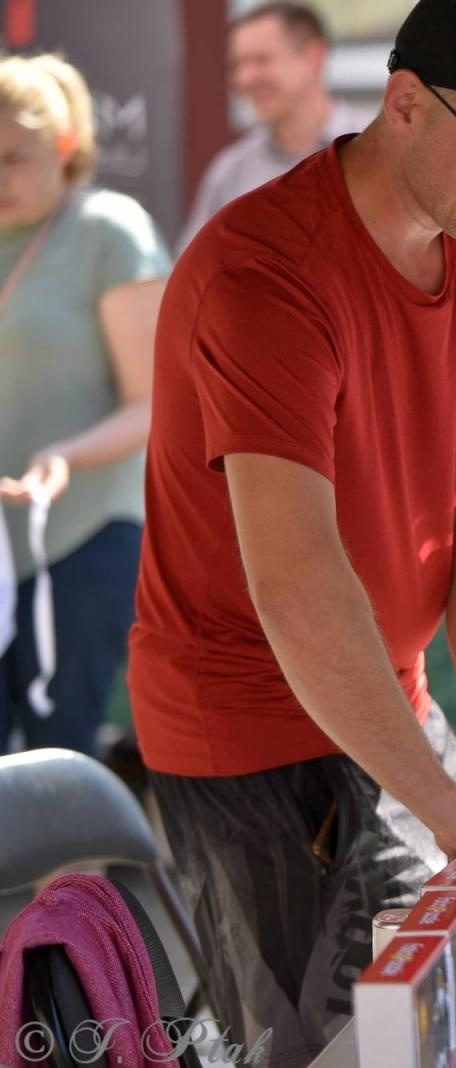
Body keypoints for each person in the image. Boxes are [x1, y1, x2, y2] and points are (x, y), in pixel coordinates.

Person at [127, 0, 456, 1061]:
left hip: (389, 704)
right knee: (327, 1048)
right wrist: (446, 798)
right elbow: (297, 579)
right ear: (404, 102)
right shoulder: (263, 275)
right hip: (246, 734)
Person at [0, 54, 167, 757]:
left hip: (82, 537)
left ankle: (72, 876)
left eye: (12, 157)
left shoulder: (109, 230)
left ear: (64, 148)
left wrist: (62, 456)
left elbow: (155, 403)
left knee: (57, 755)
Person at [175, 1, 366, 251]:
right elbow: (191, 273)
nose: (244, 78)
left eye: (261, 60)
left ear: (314, 57)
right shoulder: (230, 172)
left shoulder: (376, 149)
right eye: (237, 65)